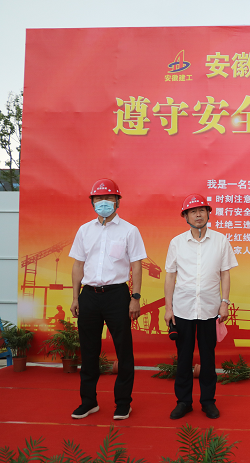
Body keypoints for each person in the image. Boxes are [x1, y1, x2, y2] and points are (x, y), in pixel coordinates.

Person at [68, 178, 146, 420]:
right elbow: (78, 265)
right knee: (89, 350)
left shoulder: (129, 230)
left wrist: (135, 297)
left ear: (117, 202)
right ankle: (88, 402)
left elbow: (136, 266)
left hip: (117, 295)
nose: (104, 202)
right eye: (99, 199)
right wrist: (75, 297)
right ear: (92, 202)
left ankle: (123, 403)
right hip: (89, 295)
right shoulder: (84, 230)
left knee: (124, 350)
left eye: (109, 198)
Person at [164, 194, 237, 420]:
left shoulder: (221, 241)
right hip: (183, 310)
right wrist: (168, 308)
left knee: (208, 358)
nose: (198, 215)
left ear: (208, 214)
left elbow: (225, 274)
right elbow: (170, 277)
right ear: (185, 216)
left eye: (202, 211)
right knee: (184, 358)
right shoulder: (177, 243)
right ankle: (183, 402)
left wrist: (224, 303)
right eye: (193, 212)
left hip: (210, 309)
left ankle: (208, 402)